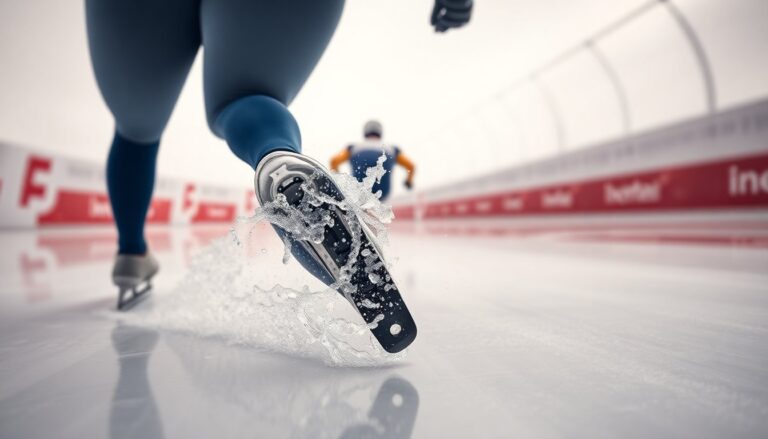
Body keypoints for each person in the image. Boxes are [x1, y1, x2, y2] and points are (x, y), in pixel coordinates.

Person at [87, 0, 472, 341]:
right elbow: (407, 165)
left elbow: (347, 157)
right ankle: (276, 155)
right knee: (245, 97)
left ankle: (132, 254)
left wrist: (341, 165)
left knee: (137, 129)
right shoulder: (390, 148)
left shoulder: (356, 148)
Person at [330, 120, 416, 200]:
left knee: (358, 197)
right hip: (383, 192)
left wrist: (338, 182)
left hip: (358, 192)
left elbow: (334, 161)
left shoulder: (353, 148)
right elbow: (411, 166)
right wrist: (408, 181)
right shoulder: (392, 149)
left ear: (365, 132)